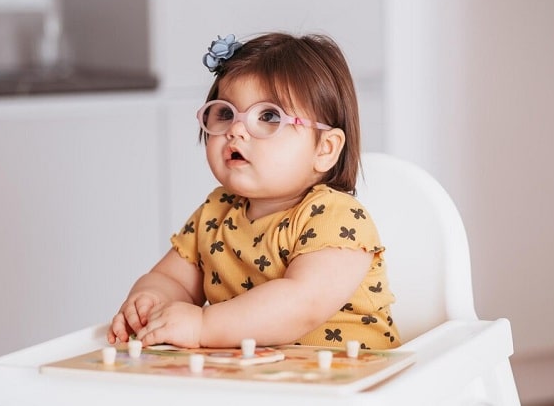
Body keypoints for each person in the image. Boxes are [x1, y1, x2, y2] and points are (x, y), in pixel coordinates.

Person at [107, 32, 401, 350]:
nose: (236, 129)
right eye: (225, 113)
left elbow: (301, 304)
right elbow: (173, 279)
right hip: (257, 380)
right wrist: (150, 299)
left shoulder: (337, 217)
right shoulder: (214, 213)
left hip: (354, 379)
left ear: (325, 148)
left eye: (269, 116)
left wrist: (203, 325)